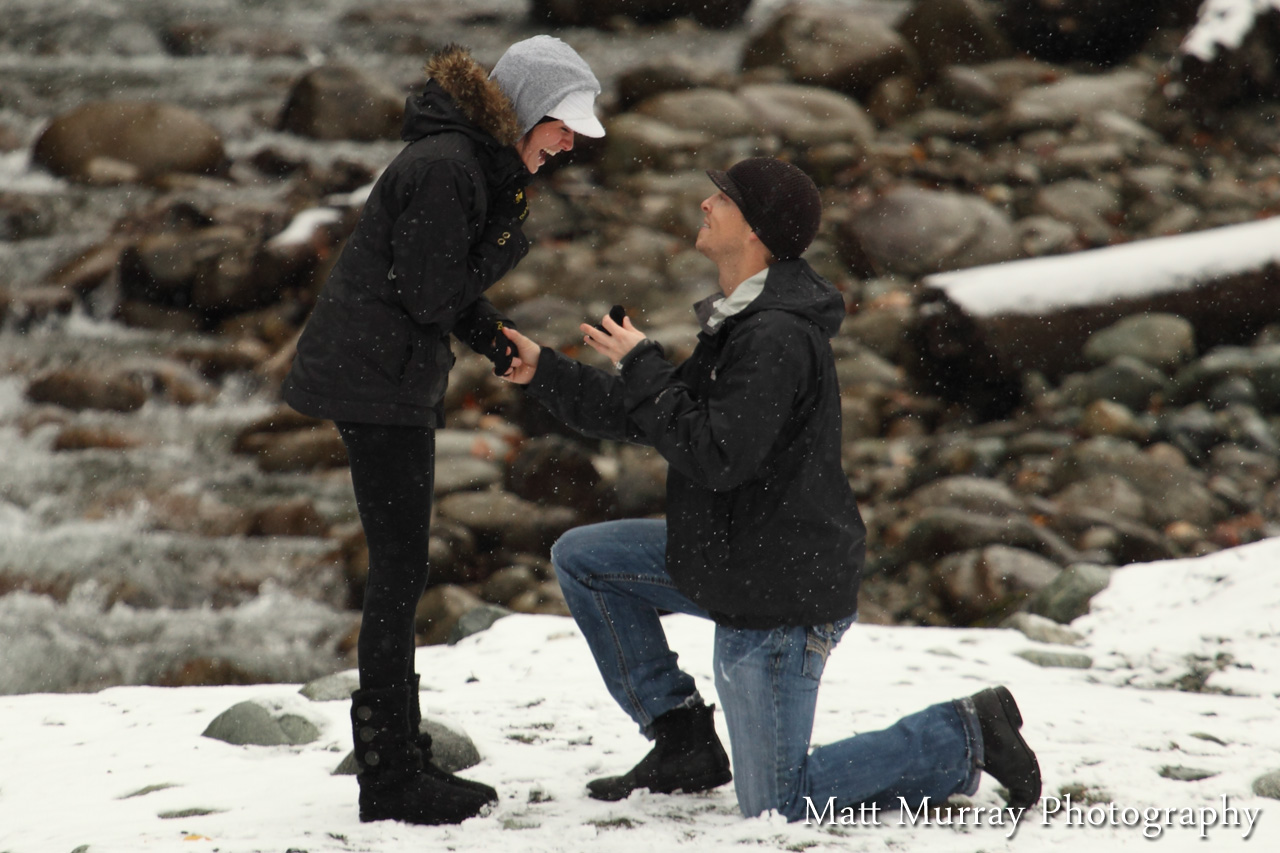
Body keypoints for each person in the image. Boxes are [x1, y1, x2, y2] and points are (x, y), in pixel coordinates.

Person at [499, 158, 1042, 821]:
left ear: (753, 230)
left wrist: (644, 363)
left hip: (780, 593)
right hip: (734, 557)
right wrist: (545, 373)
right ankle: (681, 739)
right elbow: (662, 417)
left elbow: (717, 454)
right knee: (586, 558)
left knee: (779, 801)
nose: (704, 204)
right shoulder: (746, 318)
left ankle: (963, 732)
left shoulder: (775, 335)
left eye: (721, 199)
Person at [280, 36, 605, 826]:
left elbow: (436, 289)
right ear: (525, 106)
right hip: (377, 382)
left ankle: (399, 757)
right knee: (397, 572)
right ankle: (390, 774)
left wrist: (498, 344)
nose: (570, 142)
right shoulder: (449, 168)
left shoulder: (465, 162)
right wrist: (507, 238)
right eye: (563, 124)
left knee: (400, 570)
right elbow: (431, 294)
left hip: (386, 376)